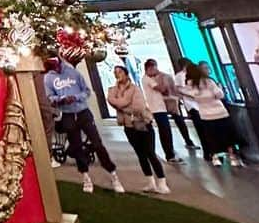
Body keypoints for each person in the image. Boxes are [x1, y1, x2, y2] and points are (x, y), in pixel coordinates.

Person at [43, 55, 124, 193]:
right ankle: (86, 177)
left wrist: (76, 97)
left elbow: (86, 91)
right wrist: (60, 99)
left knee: (97, 144)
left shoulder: (73, 72)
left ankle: (113, 174)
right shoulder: (48, 78)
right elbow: (50, 97)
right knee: (76, 146)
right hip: (67, 115)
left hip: (83, 112)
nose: (54, 67)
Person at [106, 64, 170, 194]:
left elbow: (138, 107)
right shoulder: (113, 90)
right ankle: (150, 182)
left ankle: (162, 182)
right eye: (115, 72)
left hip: (142, 124)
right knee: (140, 154)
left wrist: (122, 105)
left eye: (120, 72)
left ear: (126, 74)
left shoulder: (135, 89)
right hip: (128, 126)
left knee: (150, 153)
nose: (117, 74)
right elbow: (111, 100)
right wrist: (123, 103)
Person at [178, 61, 244, 167]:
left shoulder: (190, 85)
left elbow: (184, 93)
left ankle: (215, 157)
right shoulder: (209, 82)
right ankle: (232, 157)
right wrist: (219, 89)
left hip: (206, 115)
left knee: (212, 137)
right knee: (227, 136)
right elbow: (220, 95)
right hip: (220, 113)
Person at [142, 59, 195, 161]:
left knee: (167, 130)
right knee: (165, 131)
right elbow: (162, 89)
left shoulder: (150, 79)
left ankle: (171, 153)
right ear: (150, 68)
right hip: (157, 108)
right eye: (154, 68)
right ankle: (169, 155)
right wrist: (162, 77)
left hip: (161, 106)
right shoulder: (147, 79)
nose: (156, 71)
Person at [172, 57, 207, 152]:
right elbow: (178, 89)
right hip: (192, 104)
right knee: (201, 127)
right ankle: (207, 149)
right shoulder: (180, 76)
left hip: (197, 104)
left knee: (202, 127)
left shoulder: (190, 75)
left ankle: (208, 149)